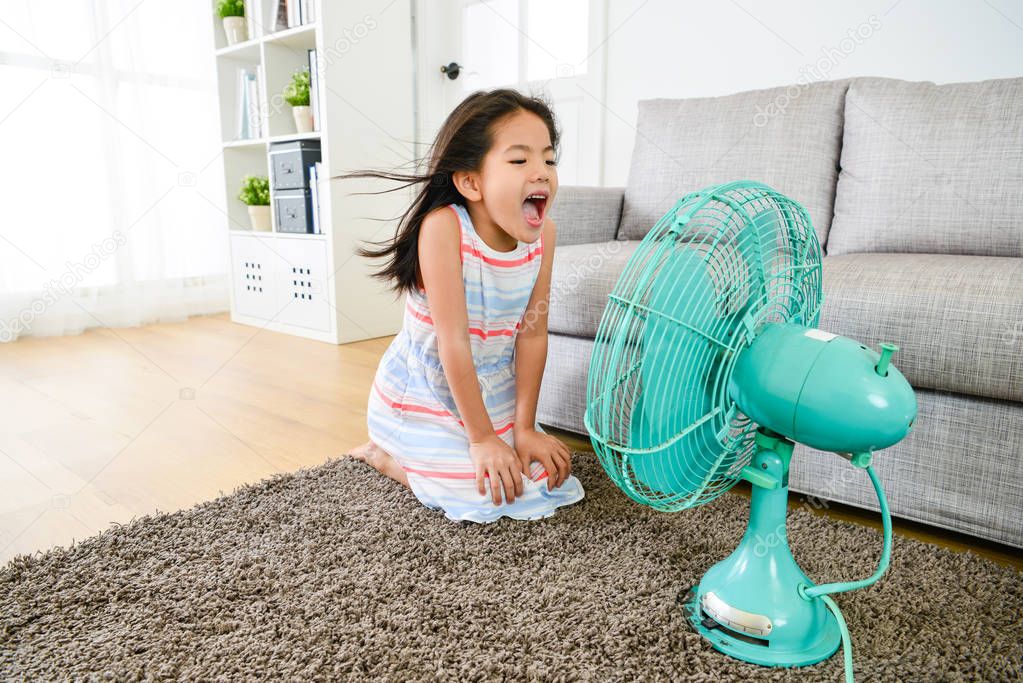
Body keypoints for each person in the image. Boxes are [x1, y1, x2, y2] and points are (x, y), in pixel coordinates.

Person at [341, 88, 585, 522]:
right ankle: (385, 455)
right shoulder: (443, 229)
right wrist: (482, 439)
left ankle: (479, 443)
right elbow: (453, 343)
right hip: (423, 394)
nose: (542, 172)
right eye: (519, 159)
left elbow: (531, 334)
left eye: (549, 159)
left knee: (546, 478)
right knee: (488, 496)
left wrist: (524, 429)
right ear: (471, 182)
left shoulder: (544, 235)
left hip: (492, 390)